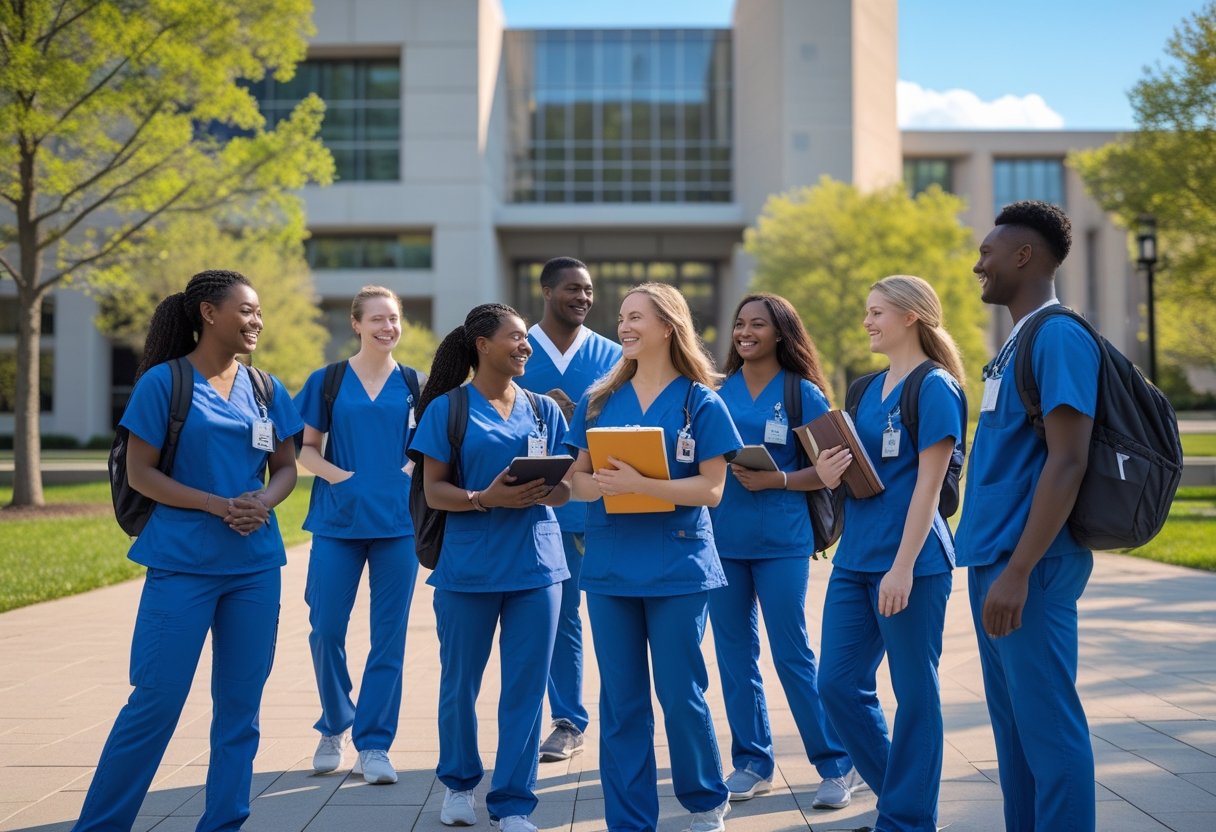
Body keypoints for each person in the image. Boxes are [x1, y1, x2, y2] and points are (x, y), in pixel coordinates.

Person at [73, 270, 302, 832]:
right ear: (207, 312)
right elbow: (142, 474)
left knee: (240, 713)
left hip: (254, 568)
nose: (257, 321)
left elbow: (287, 468)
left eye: (259, 312)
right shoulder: (163, 383)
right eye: (246, 310)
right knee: (155, 703)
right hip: (181, 566)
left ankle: (223, 823)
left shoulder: (266, 388)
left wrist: (263, 501)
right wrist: (215, 504)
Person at [565, 283, 742, 832]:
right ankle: (630, 818)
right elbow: (575, 479)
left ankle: (706, 798)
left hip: (678, 567)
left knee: (681, 693)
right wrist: (595, 486)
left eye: (635, 317)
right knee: (621, 703)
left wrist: (646, 484)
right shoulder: (598, 400)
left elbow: (712, 490)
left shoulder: (701, 401)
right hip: (612, 568)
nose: (624, 326)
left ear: (668, 325)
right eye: (621, 317)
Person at [957, 201, 1097, 832]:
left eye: (988, 252)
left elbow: (1067, 462)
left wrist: (1018, 570)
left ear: (1024, 256)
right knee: (1014, 737)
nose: (977, 264)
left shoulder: (1058, 335)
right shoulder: (1013, 343)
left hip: (1029, 568)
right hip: (993, 561)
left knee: (1047, 729)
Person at [408, 304, 571, 832]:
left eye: (527, 339)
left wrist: (544, 487)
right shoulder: (447, 410)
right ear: (481, 344)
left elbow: (569, 488)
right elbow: (435, 490)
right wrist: (487, 497)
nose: (526, 346)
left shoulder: (546, 409)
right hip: (469, 569)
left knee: (525, 689)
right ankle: (458, 786)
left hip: (537, 568)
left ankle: (514, 803)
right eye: (516, 338)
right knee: (460, 684)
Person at [816, 275, 967, 832]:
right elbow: (864, 473)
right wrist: (829, 472)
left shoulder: (935, 387)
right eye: (866, 311)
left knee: (915, 693)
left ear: (911, 316)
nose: (867, 321)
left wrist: (902, 568)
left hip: (913, 564)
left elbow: (930, 487)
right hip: (855, 560)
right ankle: (901, 803)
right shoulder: (863, 389)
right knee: (834, 683)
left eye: (876, 311)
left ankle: (905, 820)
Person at [707, 292, 858, 806]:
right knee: (734, 656)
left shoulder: (802, 394)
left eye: (757, 325)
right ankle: (752, 761)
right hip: (722, 541)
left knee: (791, 653)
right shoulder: (716, 393)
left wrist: (780, 481)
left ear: (780, 333)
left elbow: (833, 469)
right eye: (739, 324)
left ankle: (837, 763)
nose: (745, 332)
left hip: (782, 543)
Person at [294, 286, 424, 785]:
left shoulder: (417, 384)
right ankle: (334, 724)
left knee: (388, 639)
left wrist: (407, 471)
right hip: (338, 522)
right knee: (326, 628)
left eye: (393, 318)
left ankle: (374, 744)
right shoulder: (327, 381)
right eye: (377, 319)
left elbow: (431, 447)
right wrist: (341, 479)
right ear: (356, 324)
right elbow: (306, 450)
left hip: (397, 525)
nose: (387, 327)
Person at [516, 256, 621, 763]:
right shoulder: (515, 349)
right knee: (553, 619)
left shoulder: (614, 355)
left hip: (596, 503)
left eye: (588, 290)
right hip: (532, 504)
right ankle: (566, 719)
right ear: (546, 290)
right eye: (572, 289)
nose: (582, 297)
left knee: (604, 614)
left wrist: (580, 418)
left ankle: (604, 717)